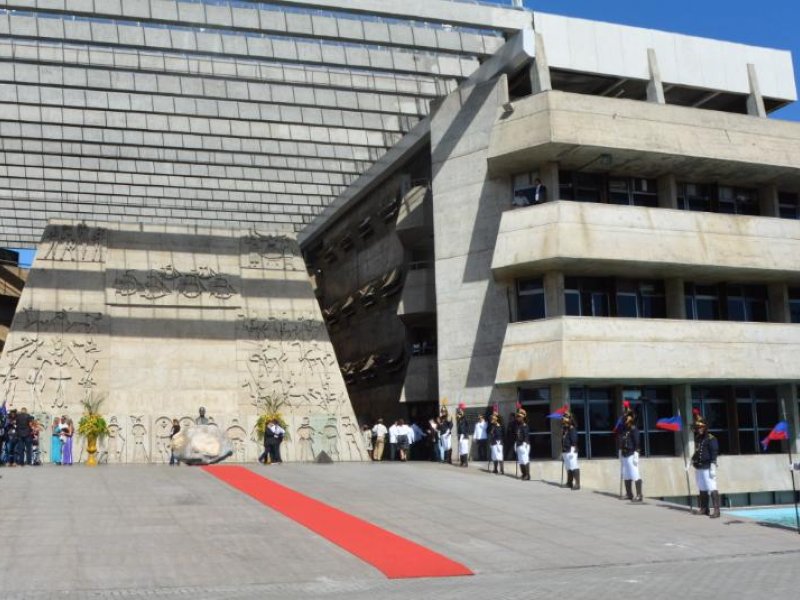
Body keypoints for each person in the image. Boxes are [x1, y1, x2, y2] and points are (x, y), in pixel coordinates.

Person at [692, 414, 720, 518]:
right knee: (702, 487)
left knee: (711, 487)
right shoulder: (698, 438)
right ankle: (704, 508)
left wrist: (713, 465)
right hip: (699, 467)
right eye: (698, 427)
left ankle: (717, 510)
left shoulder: (711, 438)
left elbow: (714, 452)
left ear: (705, 427)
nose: (699, 429)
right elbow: (697, 452)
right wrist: (691, 461)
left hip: (708, 467)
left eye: (701, 427)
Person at [619, 406, 642, 502]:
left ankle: (639, 495)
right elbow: (622, 441)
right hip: (625, 454)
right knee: (626, 475)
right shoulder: (625, 430)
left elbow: (637, 442)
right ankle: (629, 494)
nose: (625, 418)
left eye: (627, 416)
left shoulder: (634, 429)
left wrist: (637, 452)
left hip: (631, 454)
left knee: (635, 474)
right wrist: (620, 451)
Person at [562, 410, 580, 490]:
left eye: (565, 419)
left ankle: (577, 484)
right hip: (565, 450)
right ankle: (569, 483)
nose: (564, 420)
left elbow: (574, 440)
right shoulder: (565, 429)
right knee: (568, 467)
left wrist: (573, 449)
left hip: (571, 449)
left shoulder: (572, 429)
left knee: (574, 466)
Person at [514, 409, 531, 480]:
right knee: (520, 461)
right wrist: (516, 443)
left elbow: (526, 436)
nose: (518, 418)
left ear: (523, 417)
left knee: (525, 460)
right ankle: (523, 474)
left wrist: (525, 444)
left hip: (524, 445)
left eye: (519, 416)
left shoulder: (525, 426)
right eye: (517, 416)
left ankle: (527, 475)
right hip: (518, 444)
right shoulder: (518, 426)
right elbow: (517, 436)